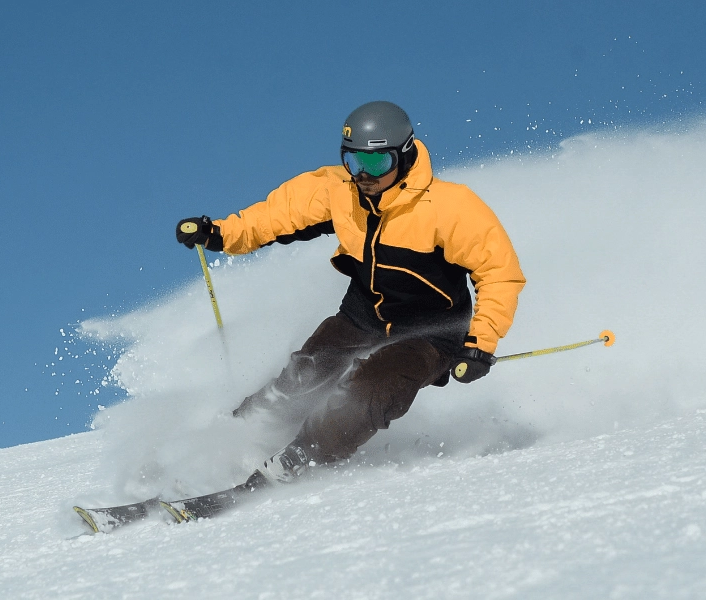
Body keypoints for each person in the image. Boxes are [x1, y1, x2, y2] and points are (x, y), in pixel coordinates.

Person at [176, 101, 525, 485]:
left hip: (432, 332)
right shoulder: (341, 191)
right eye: (353, 162)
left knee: (368, 390)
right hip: (363, 316)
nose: (363, 175)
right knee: (303, 375)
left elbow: (500, 273)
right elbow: (277, 215)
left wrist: (480, 344)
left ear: (404, 156)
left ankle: (299, 459)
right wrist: (222, 233)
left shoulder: (450, 207)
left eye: (375, 164)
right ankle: (229, 442)